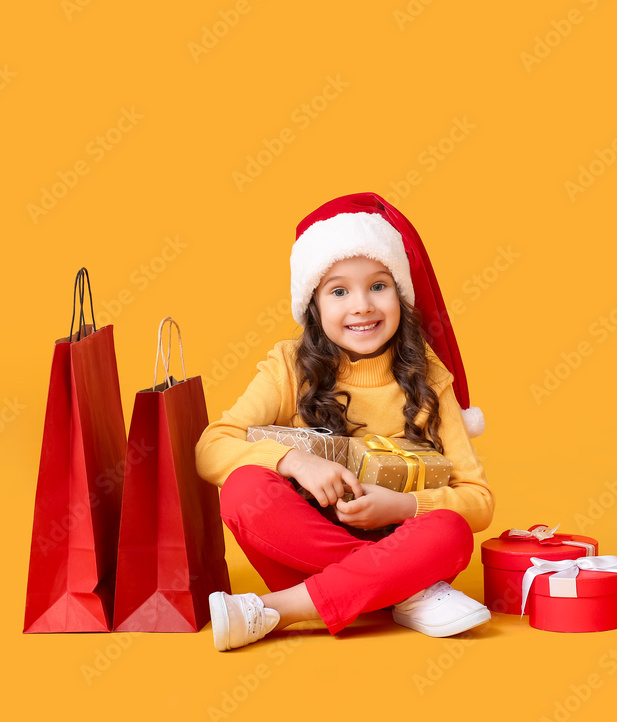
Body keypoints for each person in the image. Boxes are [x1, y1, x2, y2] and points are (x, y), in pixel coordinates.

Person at [195, 192, 494, 651]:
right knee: (243, 490)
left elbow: (478, 499)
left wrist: (400, 508)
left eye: (379, 285)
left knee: (450, 531)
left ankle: (281, 609)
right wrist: (295, 461)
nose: (362, 306)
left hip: (403, 547)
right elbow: (211, 446)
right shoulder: (288, 366)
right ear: (313, 303)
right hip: (313, 554)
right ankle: (408, 593)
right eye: (339, 291)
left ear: (401, 293)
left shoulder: (429, 376)